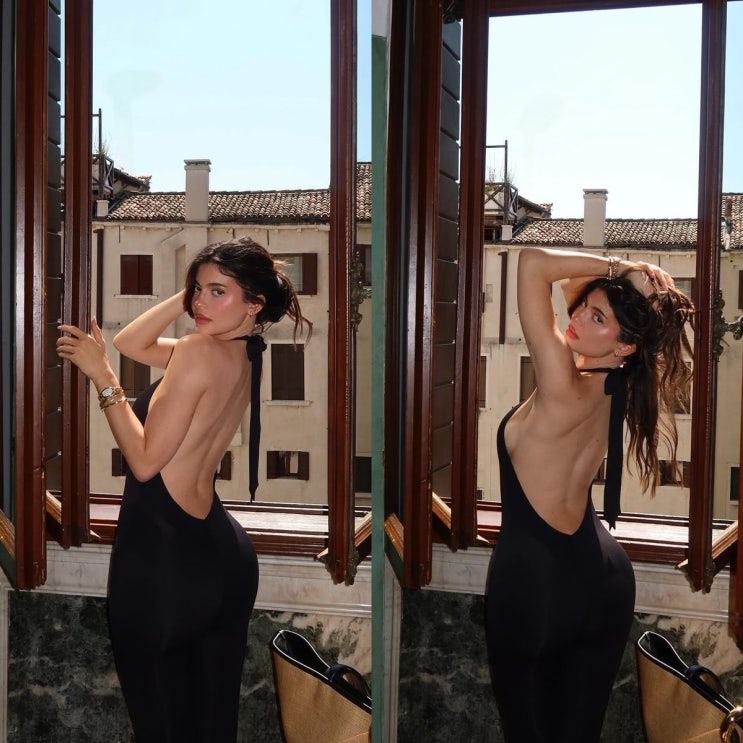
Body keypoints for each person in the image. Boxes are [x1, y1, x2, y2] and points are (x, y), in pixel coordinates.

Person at [57, 237, 311, 742]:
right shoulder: (243, 352)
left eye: (218, 292)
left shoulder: (197, 352)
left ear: (255, 303)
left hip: (166, 562)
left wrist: (100, 374)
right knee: (214, 728)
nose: (199, 302)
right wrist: (195, 292)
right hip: (223, 557)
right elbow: (132, 343)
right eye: (197, 290)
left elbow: (145, 462)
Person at [485, 247, 694, 742]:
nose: (576, 316)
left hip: (537, 583)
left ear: (625, 345)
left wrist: (619, 267)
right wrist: (618, 289)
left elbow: (534, 265)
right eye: (585, 309)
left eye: (597, 317)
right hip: (604, 578)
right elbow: (568, 289)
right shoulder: (621, 384)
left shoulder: (562, 381)